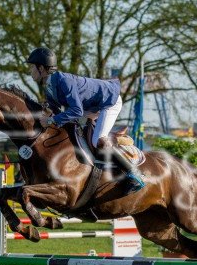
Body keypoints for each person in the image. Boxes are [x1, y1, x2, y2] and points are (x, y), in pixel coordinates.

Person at [26, 47, 144, 194]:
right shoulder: (49, 87)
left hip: (109, 102)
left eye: (32, 67)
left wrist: (50, 121)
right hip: (92, 106)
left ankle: (134, 174)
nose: (30, 71)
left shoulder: (63, 81)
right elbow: (55, 111)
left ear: (41, 68)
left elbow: (76, 111)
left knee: (98, 140)